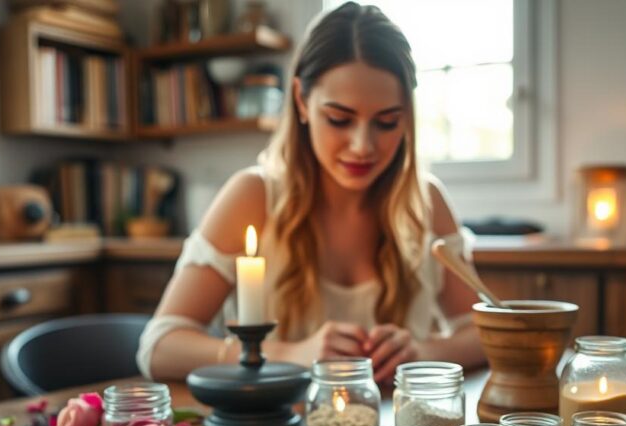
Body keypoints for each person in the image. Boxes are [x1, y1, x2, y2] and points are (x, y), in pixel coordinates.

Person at [137, 1, 486, 384]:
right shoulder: (253, 197)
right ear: (302, 100)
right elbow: (158, 347)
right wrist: (287, 355)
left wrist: (425, 351)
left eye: (387, 122)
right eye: (339, 119)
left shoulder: (427, 203)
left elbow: (487, 334)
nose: (362, 146)